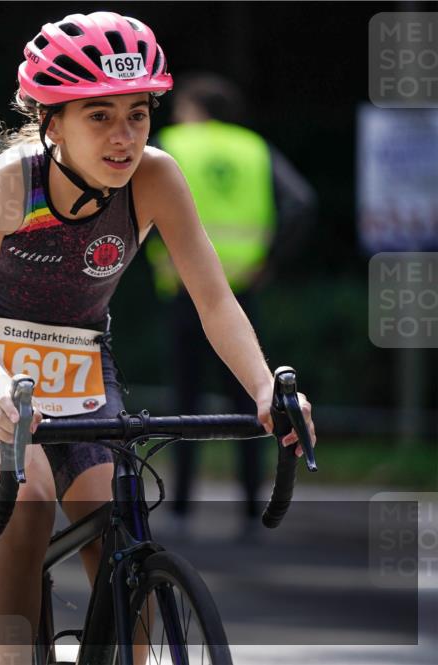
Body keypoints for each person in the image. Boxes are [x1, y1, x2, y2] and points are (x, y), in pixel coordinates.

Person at [0, 12, 317, 664]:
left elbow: (214, 298)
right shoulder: (1, 185)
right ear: (51, 120)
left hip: (82, 369)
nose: (124, 137)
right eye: (100, 116)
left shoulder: (157, 178)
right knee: (28, 499)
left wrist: (263, 386)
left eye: (138, 115)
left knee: (119, 520)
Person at [145, 73, 317, 537]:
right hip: (242, 287)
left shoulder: (169, 142)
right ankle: (251, 509)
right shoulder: (254, 147)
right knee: (253, 400)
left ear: (192, 108)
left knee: (184, 399)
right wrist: (269, 259)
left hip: (184, 288)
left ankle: (179, 507)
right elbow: (300, 202)